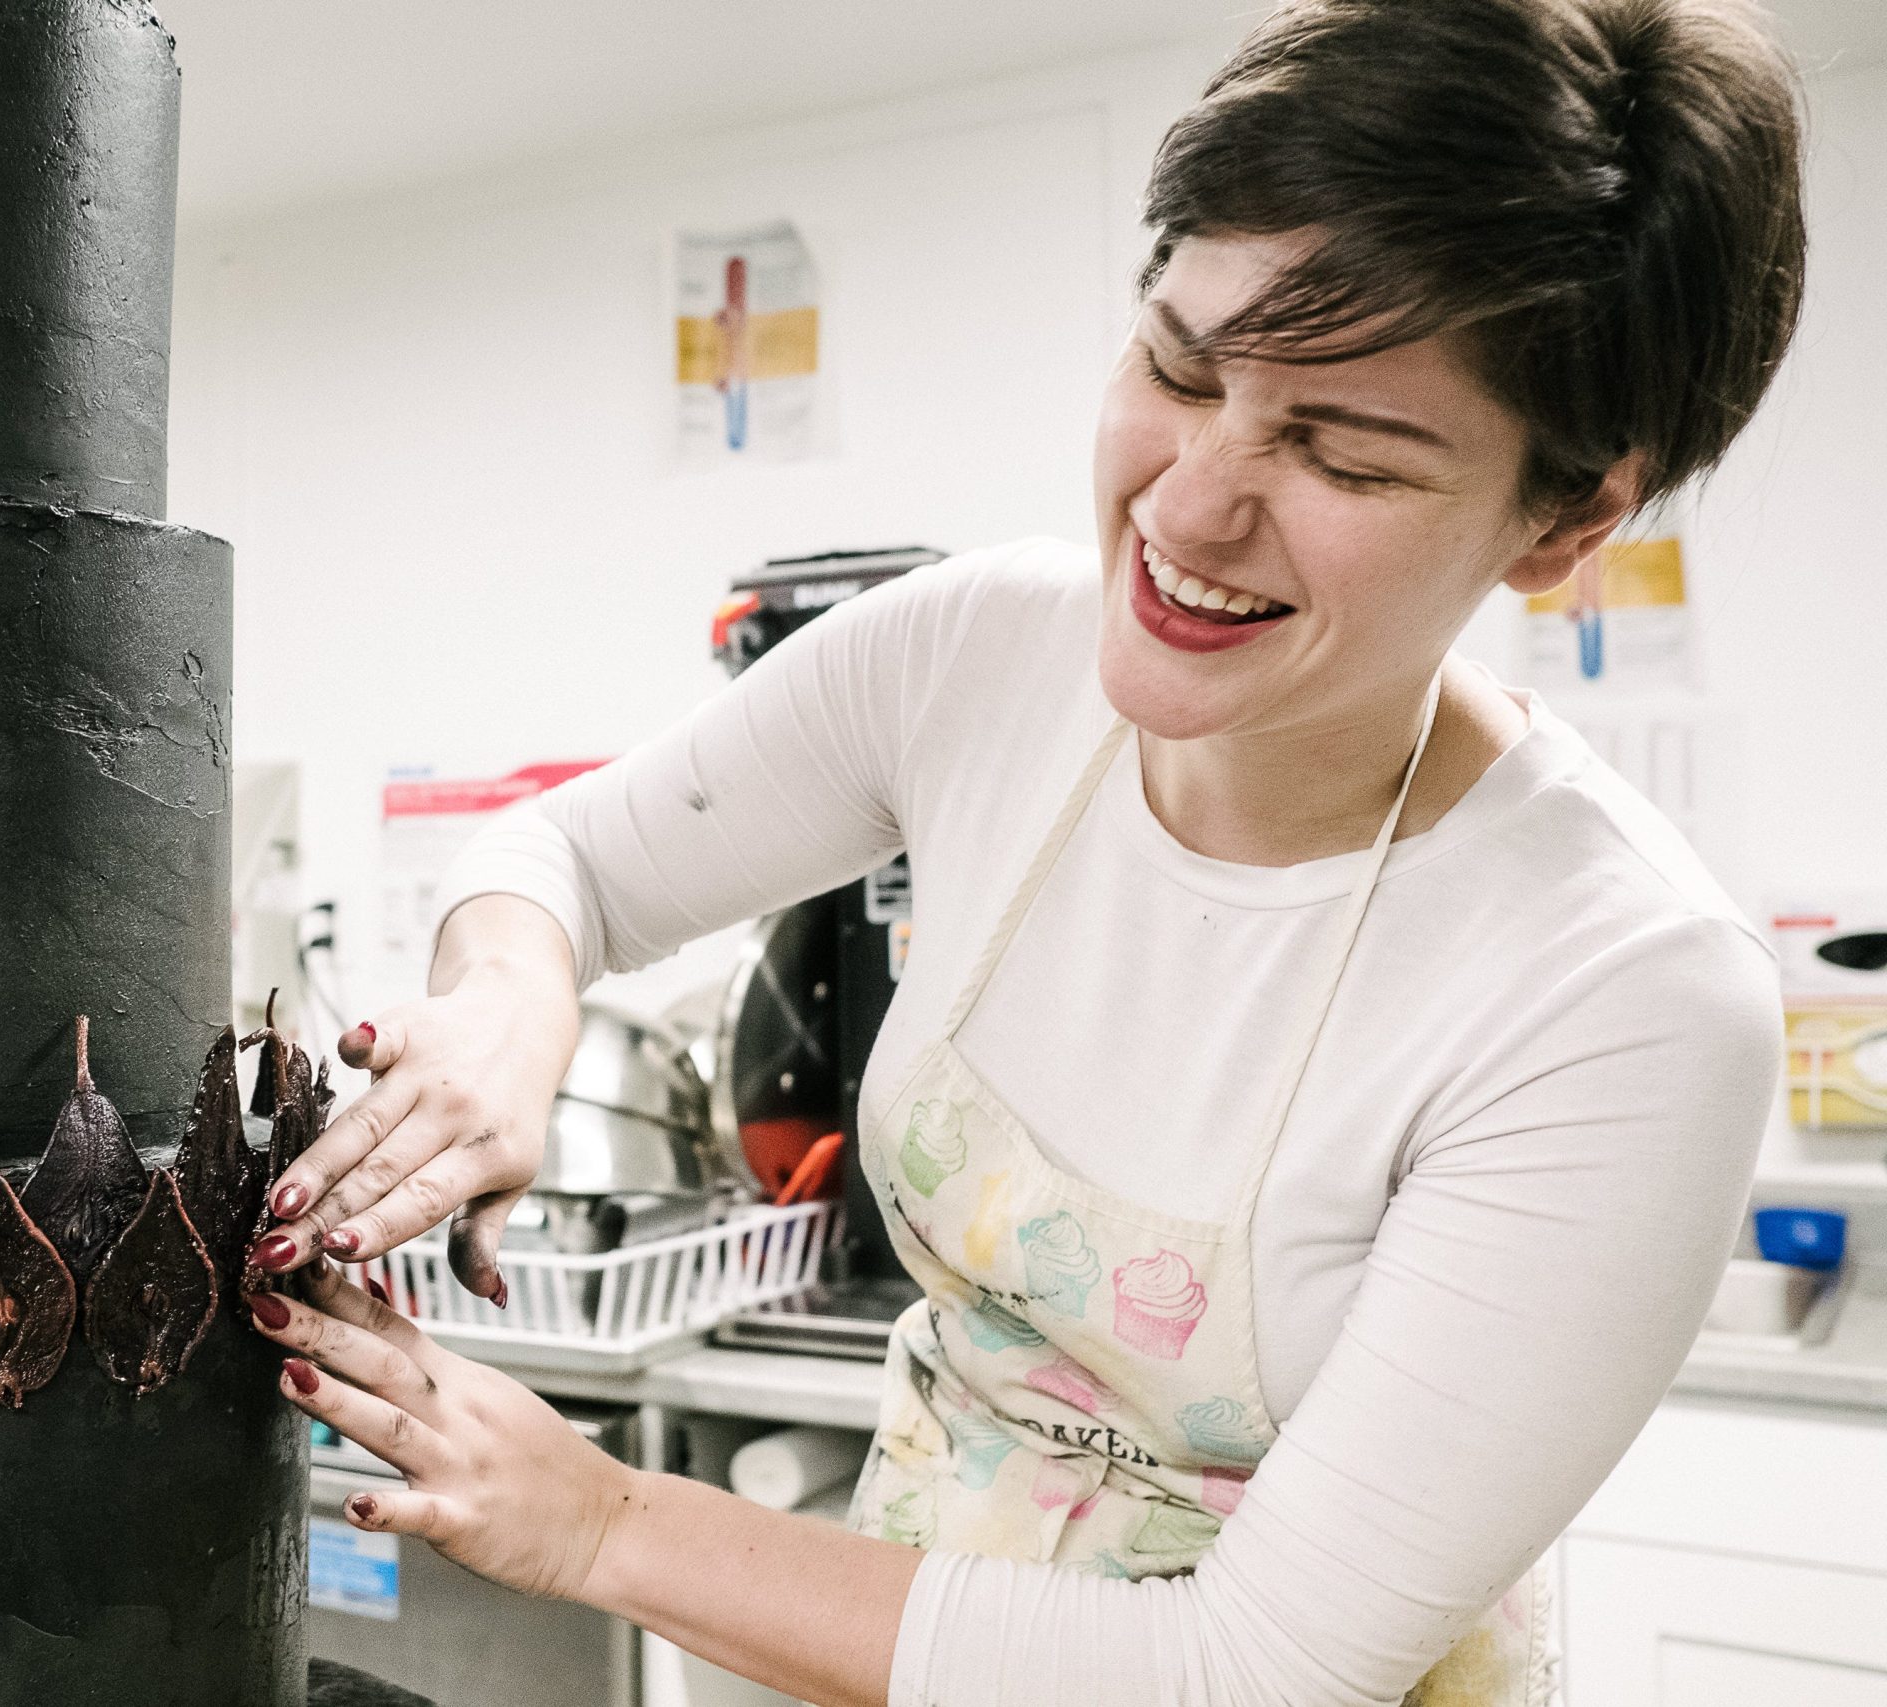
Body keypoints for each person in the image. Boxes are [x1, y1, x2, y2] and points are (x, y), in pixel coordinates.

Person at [241, 1, 1807, 1701]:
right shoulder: (976, 658)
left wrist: (605, 1526)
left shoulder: (1624, 997)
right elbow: (568, 864)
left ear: (1567, 520)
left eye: (1341, 453)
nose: (1190, 506)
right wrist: (500, 1031)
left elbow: (1251, 1670)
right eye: (1178, 368)